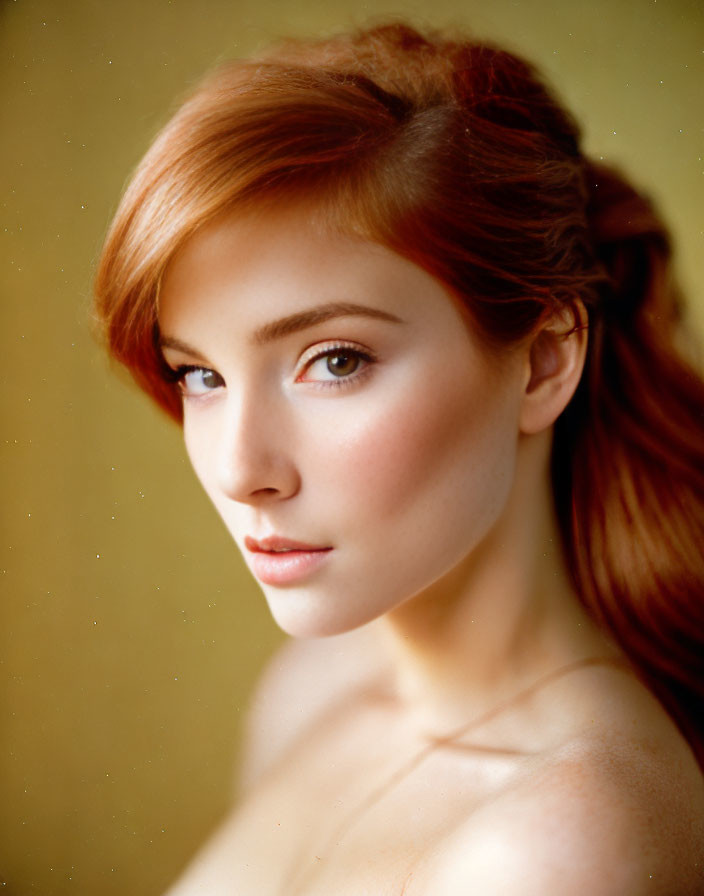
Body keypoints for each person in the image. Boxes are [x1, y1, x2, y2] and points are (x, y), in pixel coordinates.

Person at [94, 22, 704, 895]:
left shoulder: (568, 840)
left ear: (544, 360)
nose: (239, 470)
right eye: (200, 374)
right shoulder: (308, 690)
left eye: (335, 360)